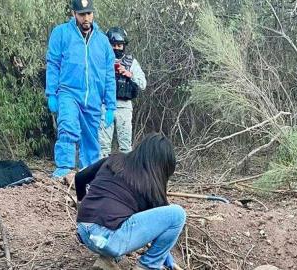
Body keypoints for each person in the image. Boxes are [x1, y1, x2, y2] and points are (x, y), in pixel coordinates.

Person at [75, 133, 186, 270]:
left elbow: (79, 178)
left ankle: (105, 261)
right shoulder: (151, 187)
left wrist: (82, 206)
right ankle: (148, 266)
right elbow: (155, 232)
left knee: (120, 218)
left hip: (84, 232)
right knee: (178, 214)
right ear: (162, 166)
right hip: (108, 239)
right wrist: (166, 260)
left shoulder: (113, 160)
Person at [46, 0, 116, 178]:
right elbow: (53, 64)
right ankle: (64, 169)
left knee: (91, 139)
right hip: (69, 91)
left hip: (93, 97)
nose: (86, 18)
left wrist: (110, 105)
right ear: (74, 14)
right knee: (68, 127)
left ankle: (89, 174)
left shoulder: (103, 42)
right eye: (82, 14)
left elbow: (109, 75)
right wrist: (51, 93)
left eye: (89, 13)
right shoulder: (61, 33)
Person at [99, 27, 147, 157]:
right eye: (113, 45)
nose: (116, 48)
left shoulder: (131, 62)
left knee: (125, 146)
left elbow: (143, 84)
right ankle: (101, 174)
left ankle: (125, 175)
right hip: (105, 106)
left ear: (124, 45)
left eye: (119, 45)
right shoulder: (101, 61)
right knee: (103, 146)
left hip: (124, 108)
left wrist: (128, 74)